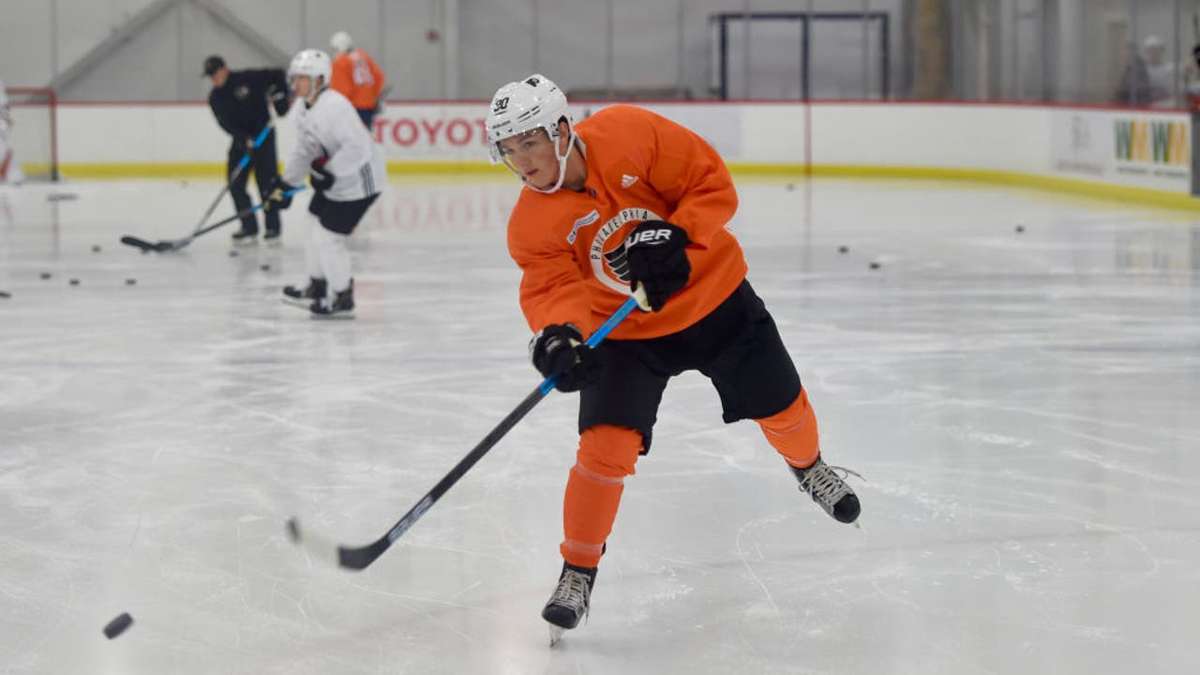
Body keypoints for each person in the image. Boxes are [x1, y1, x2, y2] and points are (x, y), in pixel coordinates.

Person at [486, 74, 862, 642]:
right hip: (627, 334)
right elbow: (552, 289)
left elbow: (711, 184)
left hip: (715, 300)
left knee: (782, 407)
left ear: (561, 131)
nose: (522, 162)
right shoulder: (530, 222)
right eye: (509, 150)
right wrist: (562, 336)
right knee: (604, 448)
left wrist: (675, 235)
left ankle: (809, 467)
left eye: (530, 143)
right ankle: (578, 570)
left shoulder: (629, 132)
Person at [264, 49, 385, 319]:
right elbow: (304, 150)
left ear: (319, 80)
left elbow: (359, 148)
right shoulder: (301, 109)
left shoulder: (336, 107)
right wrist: (285, 183)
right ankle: (316, 285)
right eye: (294, 78)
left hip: (361, 181)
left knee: (328, 237)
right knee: (311, 222)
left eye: (302, 78)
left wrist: (329, 172)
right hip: (337, 179)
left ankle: (342, 297)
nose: (296, 84)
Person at [204, 55, 290, 244]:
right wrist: (243, 139)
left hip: (264, 137)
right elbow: (225, 124)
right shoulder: (215, 97)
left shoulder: (248, 78)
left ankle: (272, 227)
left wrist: (280, 96)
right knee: (235, 183)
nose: (214, 79)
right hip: (242, 142)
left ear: (224, 69)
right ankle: (249, 226)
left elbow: (279, 75)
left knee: (267, 183)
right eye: (210, 76)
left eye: (215, 74)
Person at [329, 31, 386, 129]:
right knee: (365, 134)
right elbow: (379, 77)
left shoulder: (340, 62)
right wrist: (373, 96)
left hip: (352, 108)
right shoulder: (364, 57)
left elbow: (342, 90)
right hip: (369, 106)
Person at [0, 79, 25, 186]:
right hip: (3, 122)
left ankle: (16, 175)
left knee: (3, 149)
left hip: (2, 123)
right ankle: (15, 175)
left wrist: (6, 119)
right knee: (4, 149)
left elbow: (4, 107)